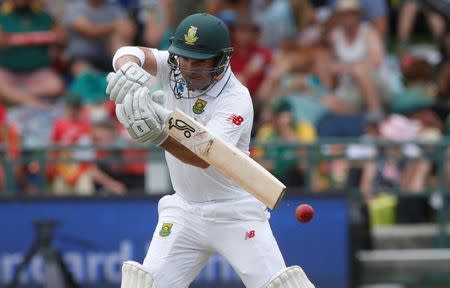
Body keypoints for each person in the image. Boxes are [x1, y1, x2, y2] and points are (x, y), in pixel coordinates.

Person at [106, 13, 315, 288]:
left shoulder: (236, 99)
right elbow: (128, 52)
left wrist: (159, 135)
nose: (189, 68)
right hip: (184, 211)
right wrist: (127, 69)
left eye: (199, 62)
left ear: (221, 60)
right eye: (185, 58)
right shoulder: (174, 66)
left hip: (234, 212)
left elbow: (204, 155)